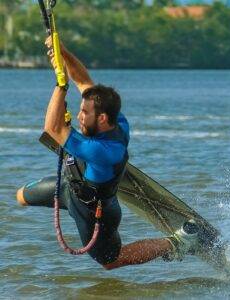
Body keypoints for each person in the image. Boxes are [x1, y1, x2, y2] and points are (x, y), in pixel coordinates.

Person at [16, 38, 198, 270]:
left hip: (96, 214)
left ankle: (177, 243)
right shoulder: (117, 120)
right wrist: (63, 53)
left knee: (111, 261)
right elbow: (83, 81)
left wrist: (61, 86)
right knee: (20, 196)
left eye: (84, 112)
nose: (80, 116)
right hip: (68, 188)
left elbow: (53, 129)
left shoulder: (102, 152)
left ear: (101, 118)